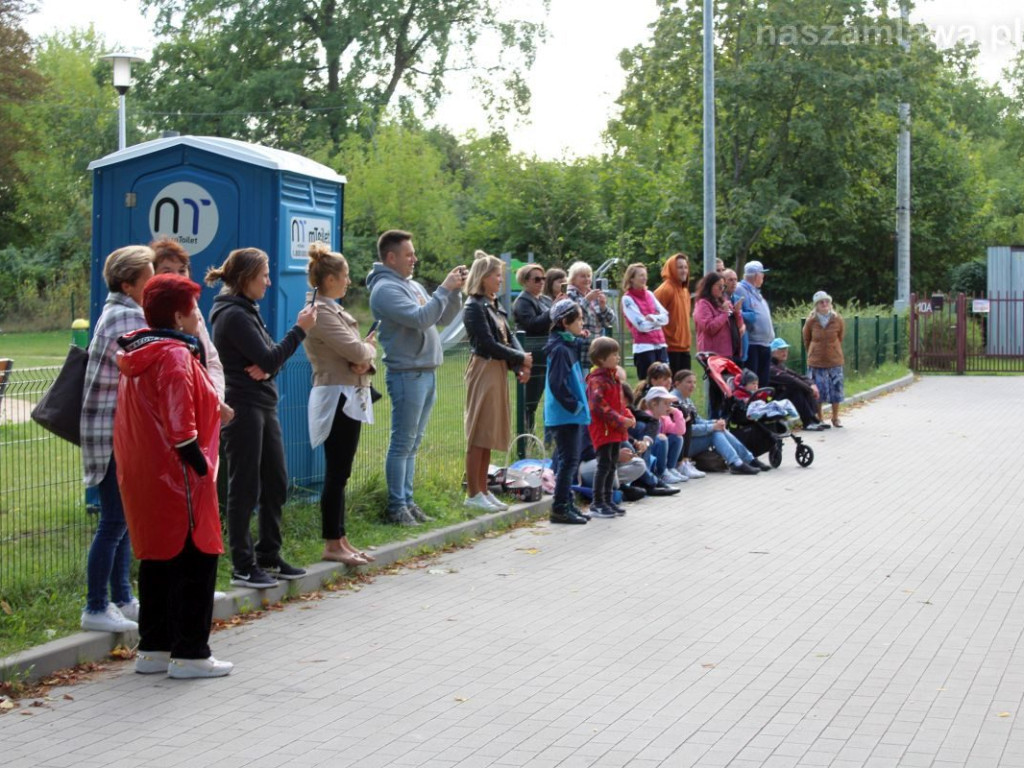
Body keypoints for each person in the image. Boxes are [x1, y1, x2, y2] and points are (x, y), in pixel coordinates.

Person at [113, 274, 232, 678]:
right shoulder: (176, 355)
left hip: (145, 473)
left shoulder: (139, 353)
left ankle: (154, 648)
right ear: (180, 317)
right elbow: (181, 428)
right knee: (196, 561)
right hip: (179, 476)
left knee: (157, 561)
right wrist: (201, 468)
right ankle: (191, 653)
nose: (200, 319)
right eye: (196, 311)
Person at [207, 247, 317, 588]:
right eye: (264, 276)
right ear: (245, 279)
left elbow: (271, 360)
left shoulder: (247, 310)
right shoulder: (233, 315)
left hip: (263, 405)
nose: (269, 283)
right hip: (243, 406)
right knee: (245, 485)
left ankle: (268, 552)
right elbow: (270, 359)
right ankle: (242, 564)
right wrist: (298, 331)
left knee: (275, 479)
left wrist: (271, 362)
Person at [367, 230, 466, 525]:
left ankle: (408, 502)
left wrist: (455, 291)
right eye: (409, 255)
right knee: (402, 443)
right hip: (407, 375)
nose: (415, 259)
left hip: (426, 372)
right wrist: (442, 290)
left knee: (413, 442)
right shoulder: (385, 289)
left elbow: (442, 318)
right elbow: (422, 318)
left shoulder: (412, 285)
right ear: (391, 257)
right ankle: (397, 507)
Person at [80, 246, 154, 632]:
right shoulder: (125, 318)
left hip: (116, 433)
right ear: (128, 284)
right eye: (148, 278)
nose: (153, 283)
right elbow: (150, 361)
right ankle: (95, 606)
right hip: (111, 435)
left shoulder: (122, 313)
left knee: (123, 520)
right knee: (113, 521)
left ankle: (123, 598)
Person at [303, 242, 379, 566]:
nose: (349, 281)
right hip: (336, 397)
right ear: (330, 279)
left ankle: (341, 538)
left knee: (342, 472)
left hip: (349, 394)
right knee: (336, 472)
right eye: (345, 276)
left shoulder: (333, 309)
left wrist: (364, 359)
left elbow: (358, 357)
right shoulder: (320, 313)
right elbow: (358, 352)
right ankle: (331, 542)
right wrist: (367, 353)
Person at [463, 252, 531, 512]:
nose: (500, 280)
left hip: (499, 369)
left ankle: (483, 489)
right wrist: (520, 357)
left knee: (489, 432)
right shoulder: (474, 307)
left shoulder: (493, 305)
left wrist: (519, 363)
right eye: (497, 275)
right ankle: (472, 492)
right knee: (478, 431)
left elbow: (509, 335)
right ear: (484, 277)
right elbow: (487, 343)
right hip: (484, 369)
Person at [151, 238, 231, 421]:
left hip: (203, 412)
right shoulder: (148, 311)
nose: (177, 276)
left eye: (182, 270)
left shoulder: (191, 305)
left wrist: (214, 399)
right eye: (167, 271)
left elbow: (211, 359)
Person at [544, 299, 590, 524]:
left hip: (570, 414)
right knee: (568, 461)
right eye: (579, 318)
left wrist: (578, 338)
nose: (582, 322)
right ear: (564, 322)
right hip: (564, 415)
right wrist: (575, 405)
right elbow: (557, 384)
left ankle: (567, 502)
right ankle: (559, 507)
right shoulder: (560, 349)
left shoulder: (567, 344)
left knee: (571, 460)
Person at [671, 369, 764, 475]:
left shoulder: (686, 399)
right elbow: (686, 430)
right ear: (677, 383)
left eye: (694, 382)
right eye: (689, 382)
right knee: (715, 433)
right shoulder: (675, 401)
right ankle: (738, 463)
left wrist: (714, 422)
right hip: (680, 446)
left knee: (719, 429)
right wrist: (712, 427)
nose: (693, 385)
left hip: (689, 442)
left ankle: (747, 460)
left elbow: (697, 420)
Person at [586, 338, 635, 518]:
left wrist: (628, 416)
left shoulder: (613, 378)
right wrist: (621, 420)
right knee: (604, 465)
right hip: (604, 430)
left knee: (612, 464)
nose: (618, 358)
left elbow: (620, 404)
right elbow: (599, 407)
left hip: (614, 429)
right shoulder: (597, 380)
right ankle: (597, 503)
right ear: (601, 359)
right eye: (614, 355)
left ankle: (608, 501)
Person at [693, 272, 743, 417]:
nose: (722, 289)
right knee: (716, 392)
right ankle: (713, 421)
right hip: (714, 355)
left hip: (729, 353)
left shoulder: (723, 301)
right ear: (709, 286)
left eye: (723, 286)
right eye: (719, 286)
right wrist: (723, 313)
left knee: (728, 390)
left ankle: (726, 421)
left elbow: (737, 325)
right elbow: (708, 327)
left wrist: (737, 312)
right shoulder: (703, 304)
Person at [511, 263, 549, 434]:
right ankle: (526, 437)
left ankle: (531, 436)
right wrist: (552, 312)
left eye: (543, 279)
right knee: (530, 401)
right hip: (532, 356)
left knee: (538, 399)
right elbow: (532, 325)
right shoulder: (523, 302)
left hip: (543, 355)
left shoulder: (541, 299)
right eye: (537, 279)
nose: (541, 282)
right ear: (525, 281)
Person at [803, 290, 846, 428]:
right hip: (816, 361)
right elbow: (806, 339)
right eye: (821, 302)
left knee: (836, 389)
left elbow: (840, 336)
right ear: (816, 305)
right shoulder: (811, 321)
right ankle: (820, 417)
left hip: (835, 360)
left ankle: (835, 417)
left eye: (827, 301)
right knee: (817, 391)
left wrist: (833, 349)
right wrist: (814, 351)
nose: (824, 304)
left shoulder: (837, 319)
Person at [621, 262, 670, 380]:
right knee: (647, 383)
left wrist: (653, 318)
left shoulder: (650, 294)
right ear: (631, 279)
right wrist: (658, 323)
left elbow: (666, 317)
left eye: (645, 275)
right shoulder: (627, 299)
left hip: (660, 344)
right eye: (641, 275)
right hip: (644, 347)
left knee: (665, 381)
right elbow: (641, 325)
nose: (645, 278)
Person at [769, 337, 828, 431]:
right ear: (773, 352)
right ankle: (808, 422)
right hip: (772, 400)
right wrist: (809, 389)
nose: (785, 353)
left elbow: (798, 376)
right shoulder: (771, 367)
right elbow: (791, 380)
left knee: (802, 386)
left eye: (786, 350)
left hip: (782, 396)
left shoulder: (780, 365)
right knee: (796, 388)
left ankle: (814, 420)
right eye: (781, 350)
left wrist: (811, 384)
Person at [733, 261, 775, 389]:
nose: (763, 277)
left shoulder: (756, 292)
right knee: (753, 381)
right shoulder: (741, 289)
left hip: (764, 343)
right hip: (752, 343)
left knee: (763, 380)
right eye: (762, 274)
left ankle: (762, 405)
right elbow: (738, 312)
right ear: (756, 275)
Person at [653, 252, 694, 375]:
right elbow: (653, 317)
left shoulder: (685, 290)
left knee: (684, 386)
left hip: (684, 348)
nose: (684, 271)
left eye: (685, 267)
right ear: (671, 269)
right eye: (680, 267)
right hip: (669, 348)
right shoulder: (665, 290)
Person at [566, 261, 615, 338]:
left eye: (589, 276)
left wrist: (603, 307)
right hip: (578, 344)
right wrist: (587, 300)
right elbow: (572, 317)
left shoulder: (594, 295)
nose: (587, 279)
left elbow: (609, 322)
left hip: (597, 345)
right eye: (583, 276)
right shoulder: (569, 294)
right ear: (573, 279)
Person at [722, 269, 748, 364]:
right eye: (730, 280)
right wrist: (733, 312)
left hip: (738, 347)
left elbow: (750, 316)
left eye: (735, 280)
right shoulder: (720, 300)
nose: (734, 283)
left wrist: (742, 325)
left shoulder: (737, 298)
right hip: (725, 349)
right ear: (723, 282)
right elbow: (726, 318)